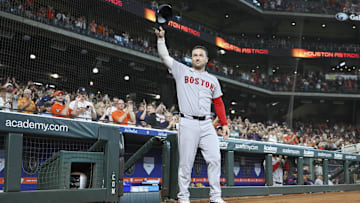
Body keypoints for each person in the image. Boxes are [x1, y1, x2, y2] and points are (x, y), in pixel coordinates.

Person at [155, 26, 230, 203]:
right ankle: (183, 197)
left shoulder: (213, 80)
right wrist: (160, 39)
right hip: (187, 122)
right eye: (194, 55)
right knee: (185, 164)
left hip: (207, 124)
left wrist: (224, 124)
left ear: (206, 59)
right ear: (192, 58)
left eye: (200, 55)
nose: (197, 57)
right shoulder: (182, 71)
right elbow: (164, 57)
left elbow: (218, 103)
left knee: (215, 158)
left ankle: (216, 197)